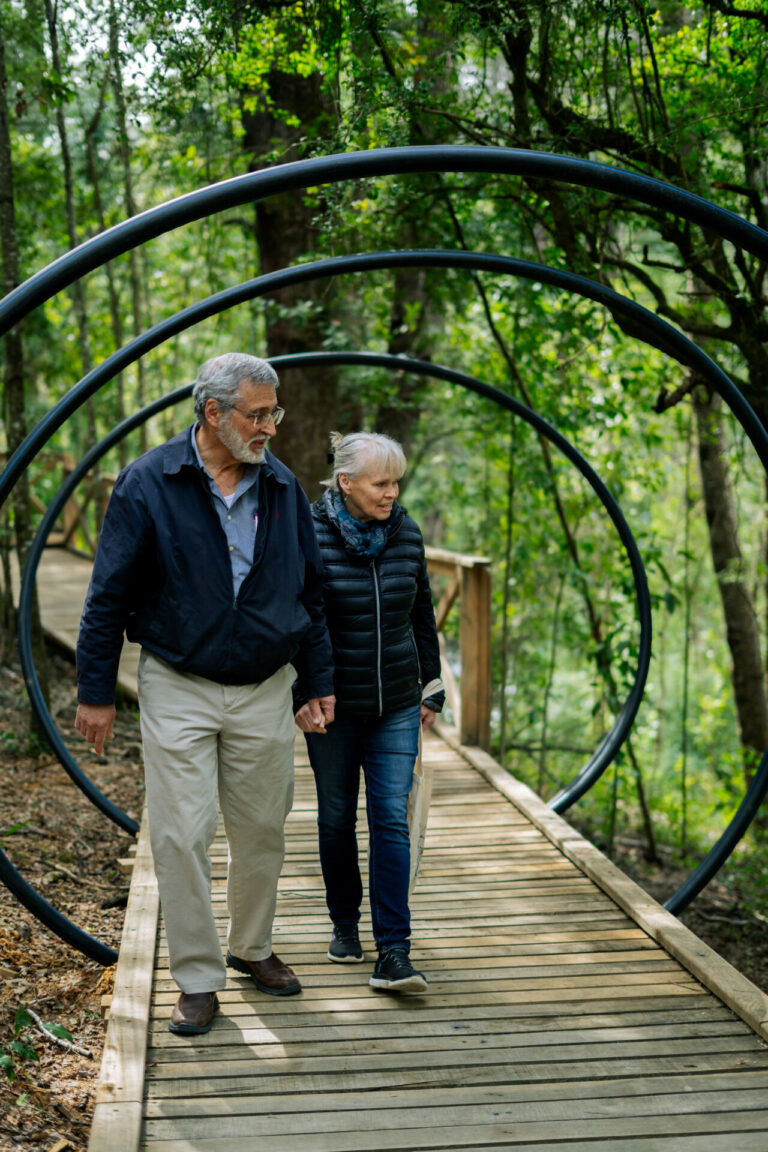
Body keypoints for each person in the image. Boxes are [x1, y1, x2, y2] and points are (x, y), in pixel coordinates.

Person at [74, 352, 335, 1036]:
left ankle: (251, 948)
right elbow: (107, 595)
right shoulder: (148, 482)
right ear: (213, 412)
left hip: (264, 687)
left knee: (261, 830)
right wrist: (96, 690)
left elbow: (310, 594)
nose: (269, 427)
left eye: (274, 413)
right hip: (178, 683)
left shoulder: (280, 487)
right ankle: (196, 978)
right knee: (181, 833)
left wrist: (316, 683)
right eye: (257, 413)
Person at [294, 431, 444, 994]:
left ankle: (395, 951)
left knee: (389, 819)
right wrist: (304, 693)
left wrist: (430, 686)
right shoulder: (308, 533)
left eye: (396, 481)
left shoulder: (405, 531)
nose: (392, 492)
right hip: (332, 707)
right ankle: (344, 923)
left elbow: (422, 610)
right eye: (381, 483)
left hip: (397, 704)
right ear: (346, 482)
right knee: (336, 818)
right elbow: (300, 619)